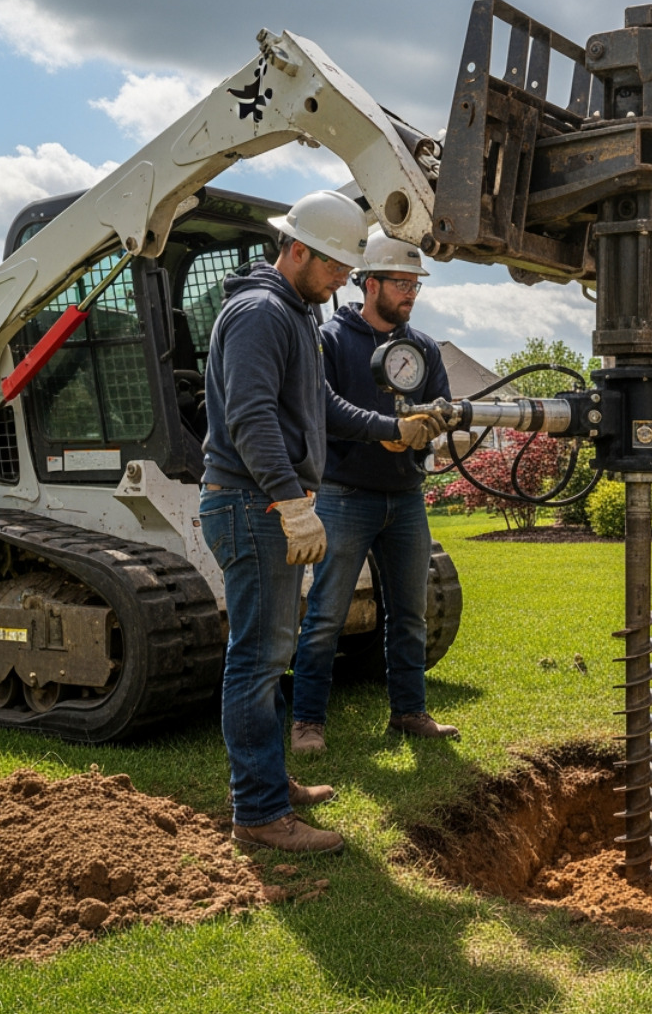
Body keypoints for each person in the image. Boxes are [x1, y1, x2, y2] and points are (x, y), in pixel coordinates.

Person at [200, 191, 440, 853]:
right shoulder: (259, 314)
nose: (344, 278)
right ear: (298, 250)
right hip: (253, 505)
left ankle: (267, 783)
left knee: (266, 654)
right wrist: (291, 501)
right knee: (255, 662)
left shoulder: (294, 314)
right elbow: (251, 418)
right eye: (336, 264)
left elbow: (322, 404)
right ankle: (258, 814)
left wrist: (391, 427)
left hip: (263, 504)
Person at [289, 233, 456, 755]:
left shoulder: (423, 346)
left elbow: (442, 405)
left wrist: (437, 423)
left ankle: (409, 712)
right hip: (345, 495)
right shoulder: (332, 340)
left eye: (415, 286)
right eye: (402, 284)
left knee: (409, 614)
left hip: (405, 497)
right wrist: (386, 427)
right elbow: (323, 409)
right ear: (371, 283)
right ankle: (307, 723)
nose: (410, 294)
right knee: (326, 615)